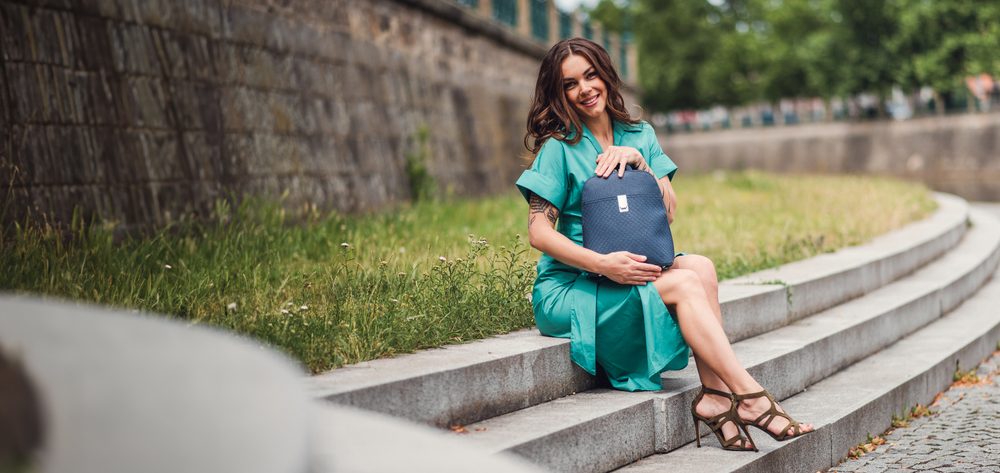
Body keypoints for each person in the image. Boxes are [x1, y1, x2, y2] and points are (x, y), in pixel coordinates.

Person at [515, 38, 813, 452]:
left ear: (605, 74)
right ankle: (751, 397)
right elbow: (539, 234)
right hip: (575, 287)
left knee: (702, 268)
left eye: (590, 75)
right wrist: (604, 264)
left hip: (627, 272)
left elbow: (667, 213)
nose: (584, 89)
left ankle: (714, 398)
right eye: (570, 84)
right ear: (558, 93)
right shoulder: (558, 149)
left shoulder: (641, 135)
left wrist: (640, 163)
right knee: (686, 284)